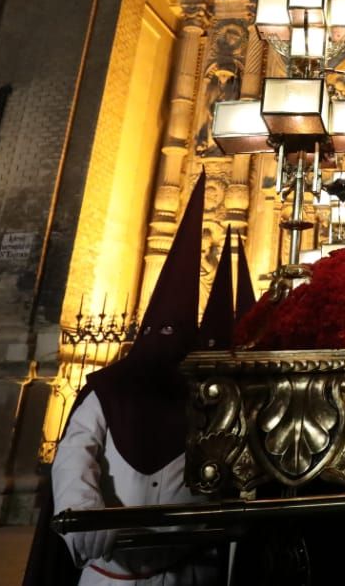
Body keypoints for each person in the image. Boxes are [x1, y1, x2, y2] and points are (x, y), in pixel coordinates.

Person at [48, 174, 223, 585]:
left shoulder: (210, 395)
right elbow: (75, 453)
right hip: (111, 571)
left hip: (188, 569)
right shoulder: (110, 390)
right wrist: (85, 511)